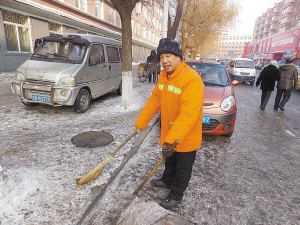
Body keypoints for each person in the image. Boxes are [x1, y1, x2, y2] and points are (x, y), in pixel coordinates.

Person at [135, 38, 204, 210]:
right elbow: (154, 101)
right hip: (170, 133)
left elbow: (188, 115)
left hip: (185, 137)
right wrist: (142, 122)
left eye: (169, 56)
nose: (165, 61)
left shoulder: (191, 79)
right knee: (170, 161)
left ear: (178, 57)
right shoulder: (165, 77)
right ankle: (167, 180)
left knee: (182, 168)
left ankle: (176, 194)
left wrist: (171, 140)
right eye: (162, 57)